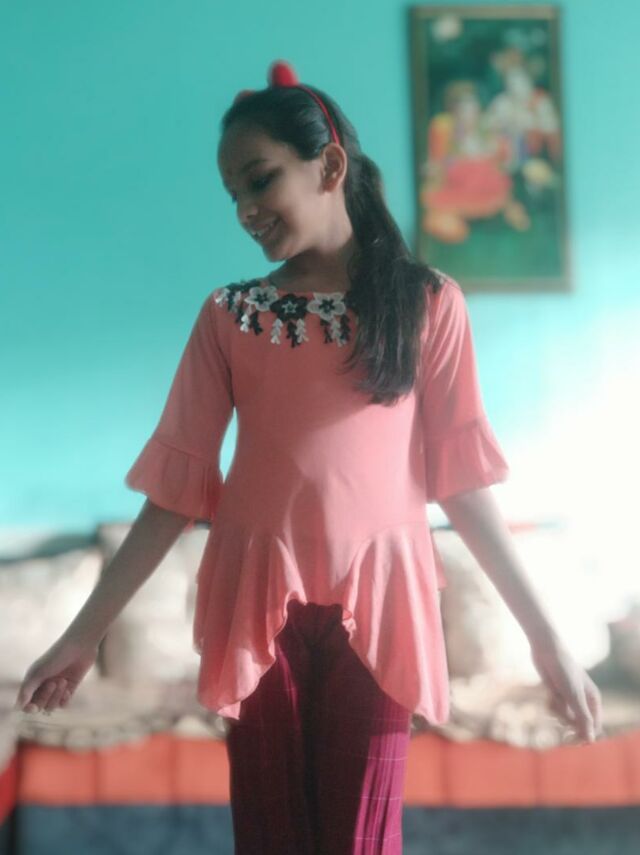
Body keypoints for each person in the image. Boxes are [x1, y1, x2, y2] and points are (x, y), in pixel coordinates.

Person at [14, 59, 602, 854]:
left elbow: (463, 486)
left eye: (260, 181)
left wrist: (547, 637)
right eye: (233, 196)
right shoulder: (231, 315)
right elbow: (175, 493)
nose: (246, 210)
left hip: (382, 609)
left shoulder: (428, 303)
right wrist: (83, 634)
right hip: (256, 610)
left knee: (362, 841)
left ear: (328, 165)